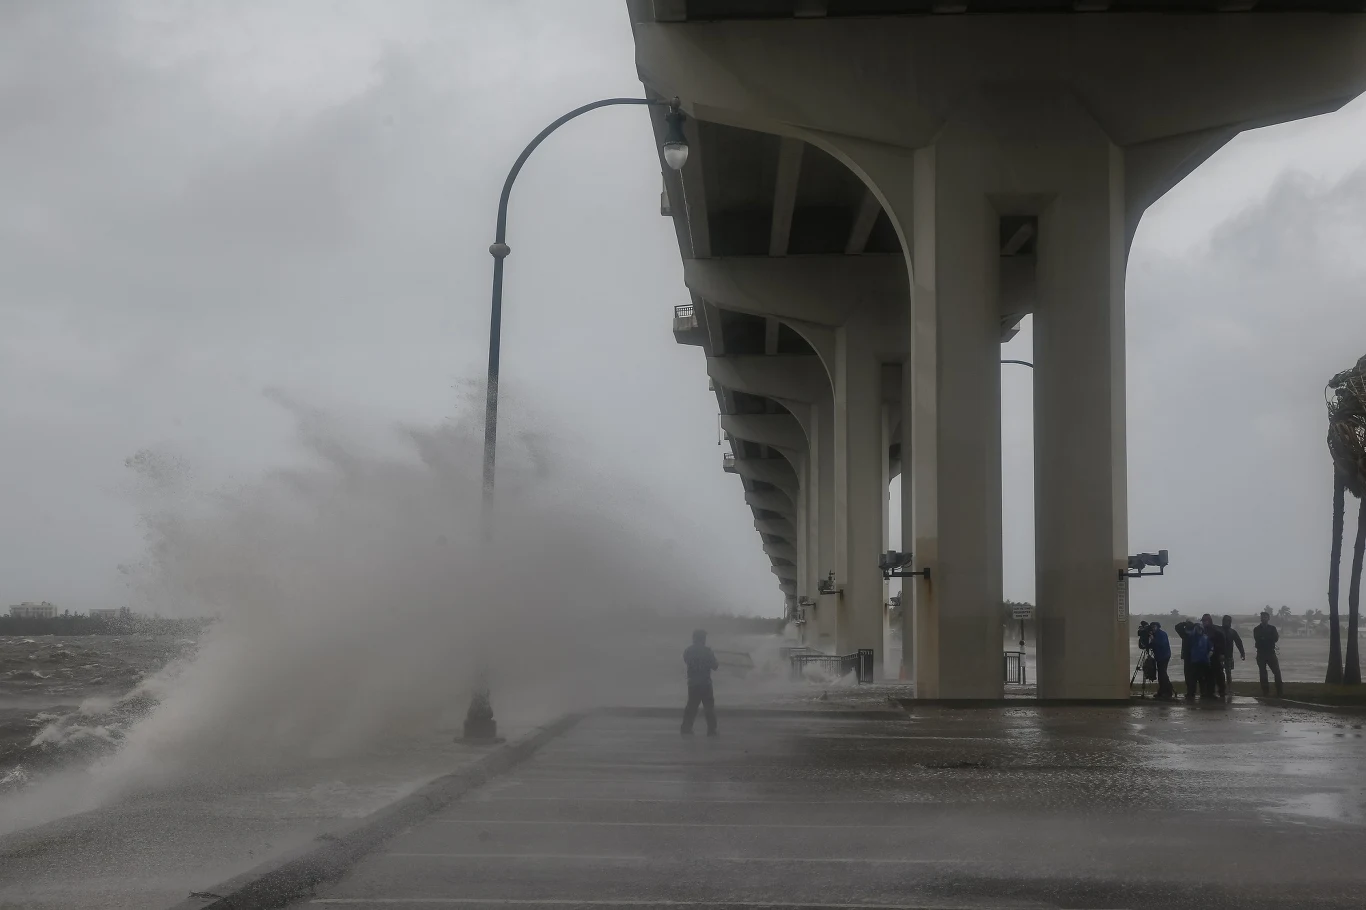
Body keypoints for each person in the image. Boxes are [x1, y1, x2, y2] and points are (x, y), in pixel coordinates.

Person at [681, 629, 719, 736]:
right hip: (705, 683)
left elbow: (686, 661)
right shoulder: (707, 651)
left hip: (693, 684)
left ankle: (686, 728)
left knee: (691, 707)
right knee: (709, 708)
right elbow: (715, 666)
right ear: (702, 639)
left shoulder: (688, 651)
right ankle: (711, 730)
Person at [1252, 611, 1284, 698]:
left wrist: (1264, 638)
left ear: (1268, 618)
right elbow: (1257, 639)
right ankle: (1265, 692)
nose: (1263, 618)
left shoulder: (1272, 628)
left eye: (1265, 617)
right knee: (1263, 674)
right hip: (1261, 654)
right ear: (1261, 618)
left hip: (1271, 653)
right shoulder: (1256, 629)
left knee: (1277, 672)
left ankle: (1279, 692)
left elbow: (1276, 638)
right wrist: (1268, 638)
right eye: (1262, 617)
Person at [1201, 614, 1228, 700]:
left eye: (1206, 620)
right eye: (1203, 621)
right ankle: (1210, 692)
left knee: (1219, 674)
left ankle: (1222, 691)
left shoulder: (1216, 631)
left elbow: (1223, 642)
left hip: (1216, 655)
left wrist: (1222, 654)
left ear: (1209, 621)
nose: (1204, 622)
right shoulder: (1202, 631)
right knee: (1208, 675)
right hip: (1205, 656)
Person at [1174, 620, 1201, 700]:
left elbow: (1177, 627)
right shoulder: (1196, 634)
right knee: (1193, 676)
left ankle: (1190, 692)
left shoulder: (1185, 635)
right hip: (1194, 657)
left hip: (1189, 657)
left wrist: (1184, 623)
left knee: (1189, 675)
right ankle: (1192, 692)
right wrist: (1195, 625)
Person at [1220, 614, 1246, 697]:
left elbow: (1239, 642)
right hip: (1218, 656)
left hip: (1228, 656)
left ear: (1230, 622)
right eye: (1225, 621)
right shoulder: (1218, 630)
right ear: (1223, 622)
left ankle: (1229, 689)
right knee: (1218, 673)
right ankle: (1220, 689)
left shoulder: (1232, 632)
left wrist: (1242, 652)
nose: (1226, 623)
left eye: (1228, 621)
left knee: (1228, 673)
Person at [1149, 621, 1174, 700]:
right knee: (1161, 673)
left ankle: (1167, 691)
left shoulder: (1162, 634)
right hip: (1159, 656)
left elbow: (1162, 644)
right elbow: (1152, 645)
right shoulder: (1155, 634)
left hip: (1164, 656)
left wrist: (1153, 639)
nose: (1153, 628)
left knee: (1162, 673)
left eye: (1154, 626)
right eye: (1152, 627)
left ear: (1158, 627)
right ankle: (1162, 691)